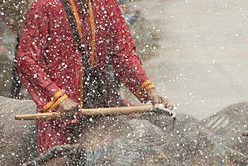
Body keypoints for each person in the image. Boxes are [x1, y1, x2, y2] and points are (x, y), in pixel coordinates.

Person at [16, 0, 170, 153]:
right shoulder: (45, 5)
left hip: (102, 98)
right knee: (59, 165)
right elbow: (26, 59)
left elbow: (124, 54)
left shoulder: (107, 4)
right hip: (62, 112)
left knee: (145, 142)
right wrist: (58, 98)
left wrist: (148, 90)